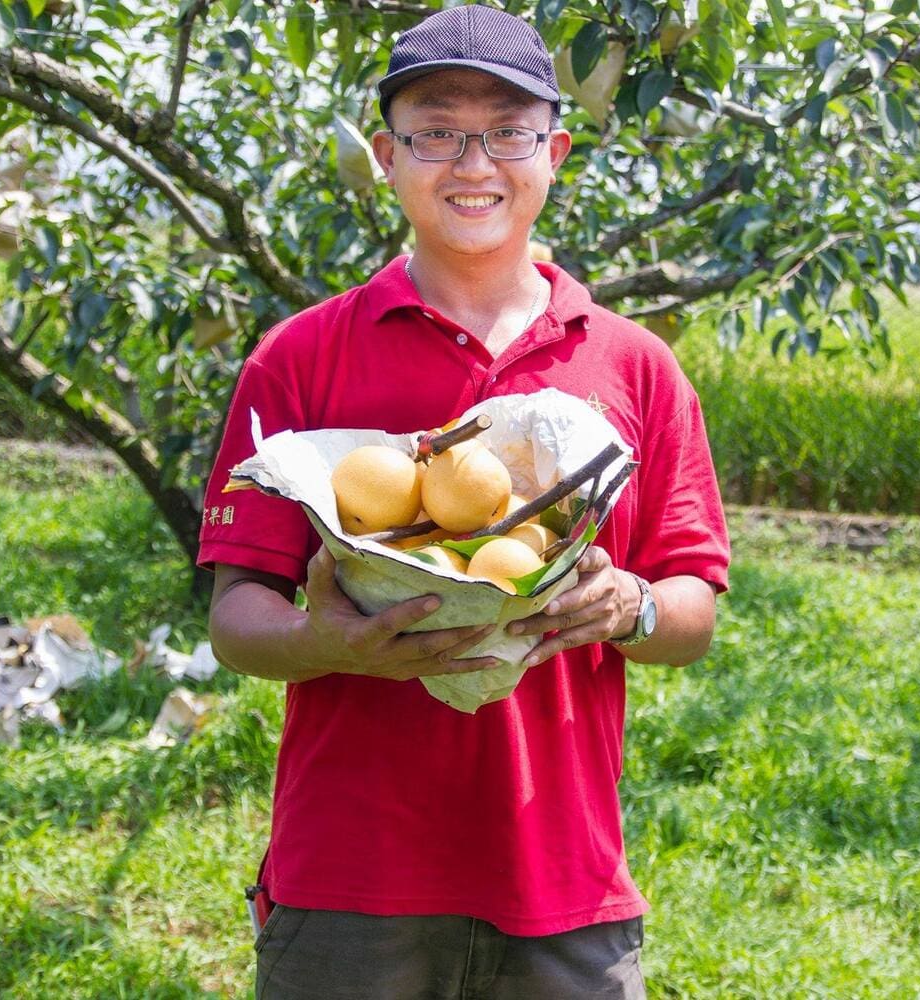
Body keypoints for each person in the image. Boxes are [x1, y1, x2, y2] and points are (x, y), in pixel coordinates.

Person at [200, 5, 730, 998]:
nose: (473, 163)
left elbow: (692, 608)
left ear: (554, 153)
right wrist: (326, 641)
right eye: (436, 132)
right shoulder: (299, 357)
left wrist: (629, 607)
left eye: (508, 132)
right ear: (388, 158)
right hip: (351, 882)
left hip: (564, 884)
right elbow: (236, 617)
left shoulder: (635, 368)